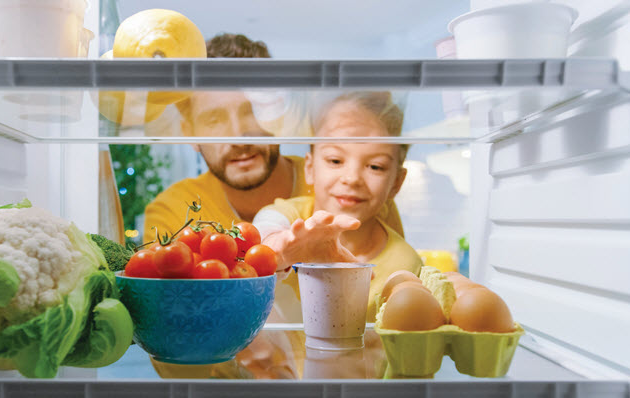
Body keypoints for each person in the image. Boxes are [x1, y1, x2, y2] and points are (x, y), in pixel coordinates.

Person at [141, 33, 404, 245]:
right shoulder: (173, 211)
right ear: (189, 134)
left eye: (253, 111)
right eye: (214, 120)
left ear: (279, 115)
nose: (238, 137)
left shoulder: (349, 192)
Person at [253, 91, 424, 325]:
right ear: (310, 168)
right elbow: (264, 229)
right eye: (335, 160)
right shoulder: (290, 216)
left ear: (396, 182)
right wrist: (280, 250)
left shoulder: (405, 263)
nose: (352, 178)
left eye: (375, 166)